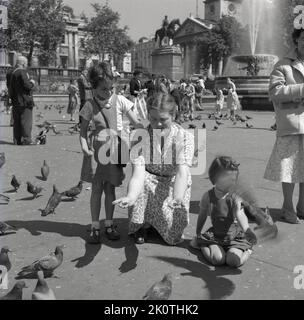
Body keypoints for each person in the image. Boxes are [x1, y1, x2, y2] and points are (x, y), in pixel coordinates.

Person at [114, 92, 194, 245]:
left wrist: (177, 198)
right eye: (153, 118)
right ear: (148, 115)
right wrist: (131, 196)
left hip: (174, 182)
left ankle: (158, 223)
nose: (157, 124)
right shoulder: (140, 136)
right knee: (143, 181)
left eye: (163, 119)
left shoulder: (185, 137)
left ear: (173, 115)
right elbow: (138, 173)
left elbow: (182, 173)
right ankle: (142, 225)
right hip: (149, 180)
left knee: (173, 236)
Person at [79, 62, 143, 244]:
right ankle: (94, 226)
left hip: (117, 151)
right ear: (94, 87)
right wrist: (84, 146)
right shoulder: (89, 105)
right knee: (97, 189)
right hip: (97, 152)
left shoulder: (121, 100)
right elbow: (83, 131)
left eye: (111, 88)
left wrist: (152, 125)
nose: (108, 92)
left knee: (111, 189)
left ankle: (108, 223)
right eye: (104, 89)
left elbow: (137, 122)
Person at [264, 28, 304, 224]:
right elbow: (274, 92)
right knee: (288, 168)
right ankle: (288, 207)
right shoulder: (283, 65)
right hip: (292, 123)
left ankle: (303, 206)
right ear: (296, 40)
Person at [191, 156, 257, 268]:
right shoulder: (207, 196)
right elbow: (202, 215)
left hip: (236, 237)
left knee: (233, 261)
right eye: (229, 179)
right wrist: (198, 233)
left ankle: (248, 250)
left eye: (234, 179)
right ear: (215, 178)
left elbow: (240, 214)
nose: (233, 182)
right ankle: (203, 245)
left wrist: (247, 230)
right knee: (218, 260)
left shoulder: (235, 196)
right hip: (216, 236)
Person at [6, 56, 35, 145]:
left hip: (15, 101)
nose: (26, 65)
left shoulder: (11, 72)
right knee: (26, 121)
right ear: (23, 63)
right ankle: (26, 140)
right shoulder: (22, 72)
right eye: (26, 64)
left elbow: (10, 88)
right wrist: (32, 83)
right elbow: (27, 86)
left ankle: (17, 140)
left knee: (17, 122)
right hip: (25, 101)